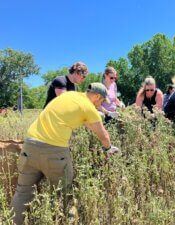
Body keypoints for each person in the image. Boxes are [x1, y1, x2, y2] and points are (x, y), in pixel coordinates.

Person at [11, 83, 120, 225]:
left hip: (29, 146)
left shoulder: (69, 95)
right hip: (55, 151)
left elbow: (81, 121)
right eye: (101, 101)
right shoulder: (88, 108)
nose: (100, 104)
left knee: (23, 192)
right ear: (97, 96)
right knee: (64, 193)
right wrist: (108, 148)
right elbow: (103, 136)